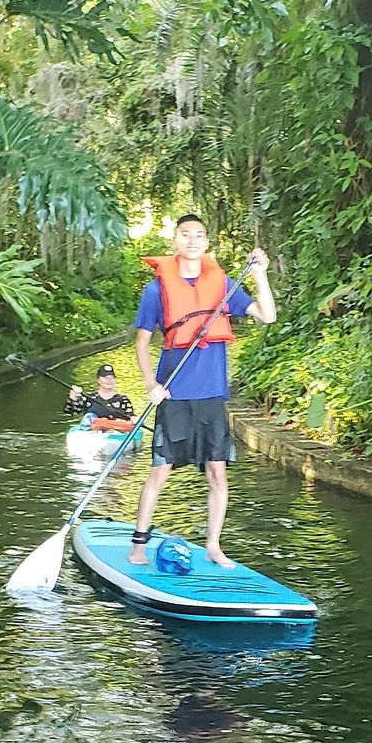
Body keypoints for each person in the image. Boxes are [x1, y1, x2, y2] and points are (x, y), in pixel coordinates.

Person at [129, 214, 275, 567]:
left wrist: (259, 274)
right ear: (175, 241)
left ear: (206, 243)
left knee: (217, 472)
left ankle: (213, 545)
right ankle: (139, 545)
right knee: (160, 471)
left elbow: (267, 315)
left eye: (198, 235)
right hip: (174, 394)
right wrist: (151, 384)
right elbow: (142, 340)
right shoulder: (157, 289)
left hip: (211, 394)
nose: (192, 240)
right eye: (185, 235)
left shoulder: (222, 282)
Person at [64, 364, 135, 425]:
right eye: (105, 378)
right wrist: (73, 398)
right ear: (98, 380)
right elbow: (70, 412)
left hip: (117, 434)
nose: (109, 380)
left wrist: (133, 419)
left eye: (111, 378)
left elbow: (130, 415)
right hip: (94, 435)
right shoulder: (88, 398)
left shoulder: (123, 399)